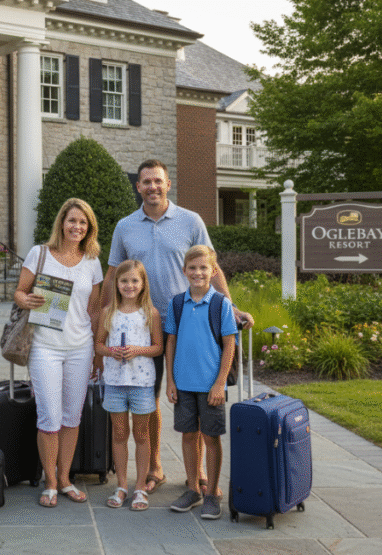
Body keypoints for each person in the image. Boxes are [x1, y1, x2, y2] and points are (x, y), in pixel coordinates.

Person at [103, 159, 253, 499]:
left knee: (197, 395)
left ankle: (197, 472)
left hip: (191, 325)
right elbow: (112, 273)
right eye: (146, 182)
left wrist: (230, 305)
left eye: (158, 181)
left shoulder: (190, 220)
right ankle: (154, 465)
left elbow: (211, 268)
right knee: (148, 399)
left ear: (168, 184)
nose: (152, 187)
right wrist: (100, 314)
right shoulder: (125, 226)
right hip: (144, 328)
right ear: (138, 187)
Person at [14, 198, 103, 508]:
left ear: (88, 227)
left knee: (71, 417)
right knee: (49, 417)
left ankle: (65, 479)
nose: (77, 227)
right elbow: (19, 291)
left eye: (83, 222)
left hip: (80, 347)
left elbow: (94, 310)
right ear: (61, 223)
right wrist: (24, 301)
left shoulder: (92, 261)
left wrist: (97, 353)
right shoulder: (40, 254)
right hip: (44, 347)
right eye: (72, 221)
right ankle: (49, 481)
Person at [165, 245, 237, 519]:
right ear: (184, 271)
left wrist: (220, 383)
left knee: (211, 437)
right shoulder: (176, 303)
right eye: (192, 268)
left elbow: (229, 345)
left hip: (211, 388)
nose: (198, 272)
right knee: (188, 435)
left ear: (213, 271)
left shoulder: (221, 304)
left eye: (203, 267)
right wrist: (170, 380)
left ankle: (212, 493)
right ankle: (193, 489)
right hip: (183, 384)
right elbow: (171, 341)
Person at [94, 259, 163, 511]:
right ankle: (122, 485)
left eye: (135, 281)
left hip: (142, 383)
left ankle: (141, 487)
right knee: (120, 434)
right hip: (114, 382)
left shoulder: (151, 313)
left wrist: (137, 350)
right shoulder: (108, 312)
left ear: (143, 284)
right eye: (124, 281)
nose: (129, 285)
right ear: (116, 283)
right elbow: (98, 345)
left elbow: (158, 347)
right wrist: (111, 352)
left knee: (142, 435)